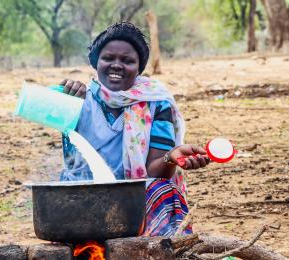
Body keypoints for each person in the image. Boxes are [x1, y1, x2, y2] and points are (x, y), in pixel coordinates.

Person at [59, 22, 209, 237]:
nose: (117, 65)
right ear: (96, 62)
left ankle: (163, 250)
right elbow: (36, 107)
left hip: (133, 199)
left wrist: (171, 157)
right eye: (108, 58)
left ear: (139, 68)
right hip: (85, 195)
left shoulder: (157, 103)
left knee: (164, 190)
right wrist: (61, 98)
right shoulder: (77, 98)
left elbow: (154, 174)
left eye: (127, 61)